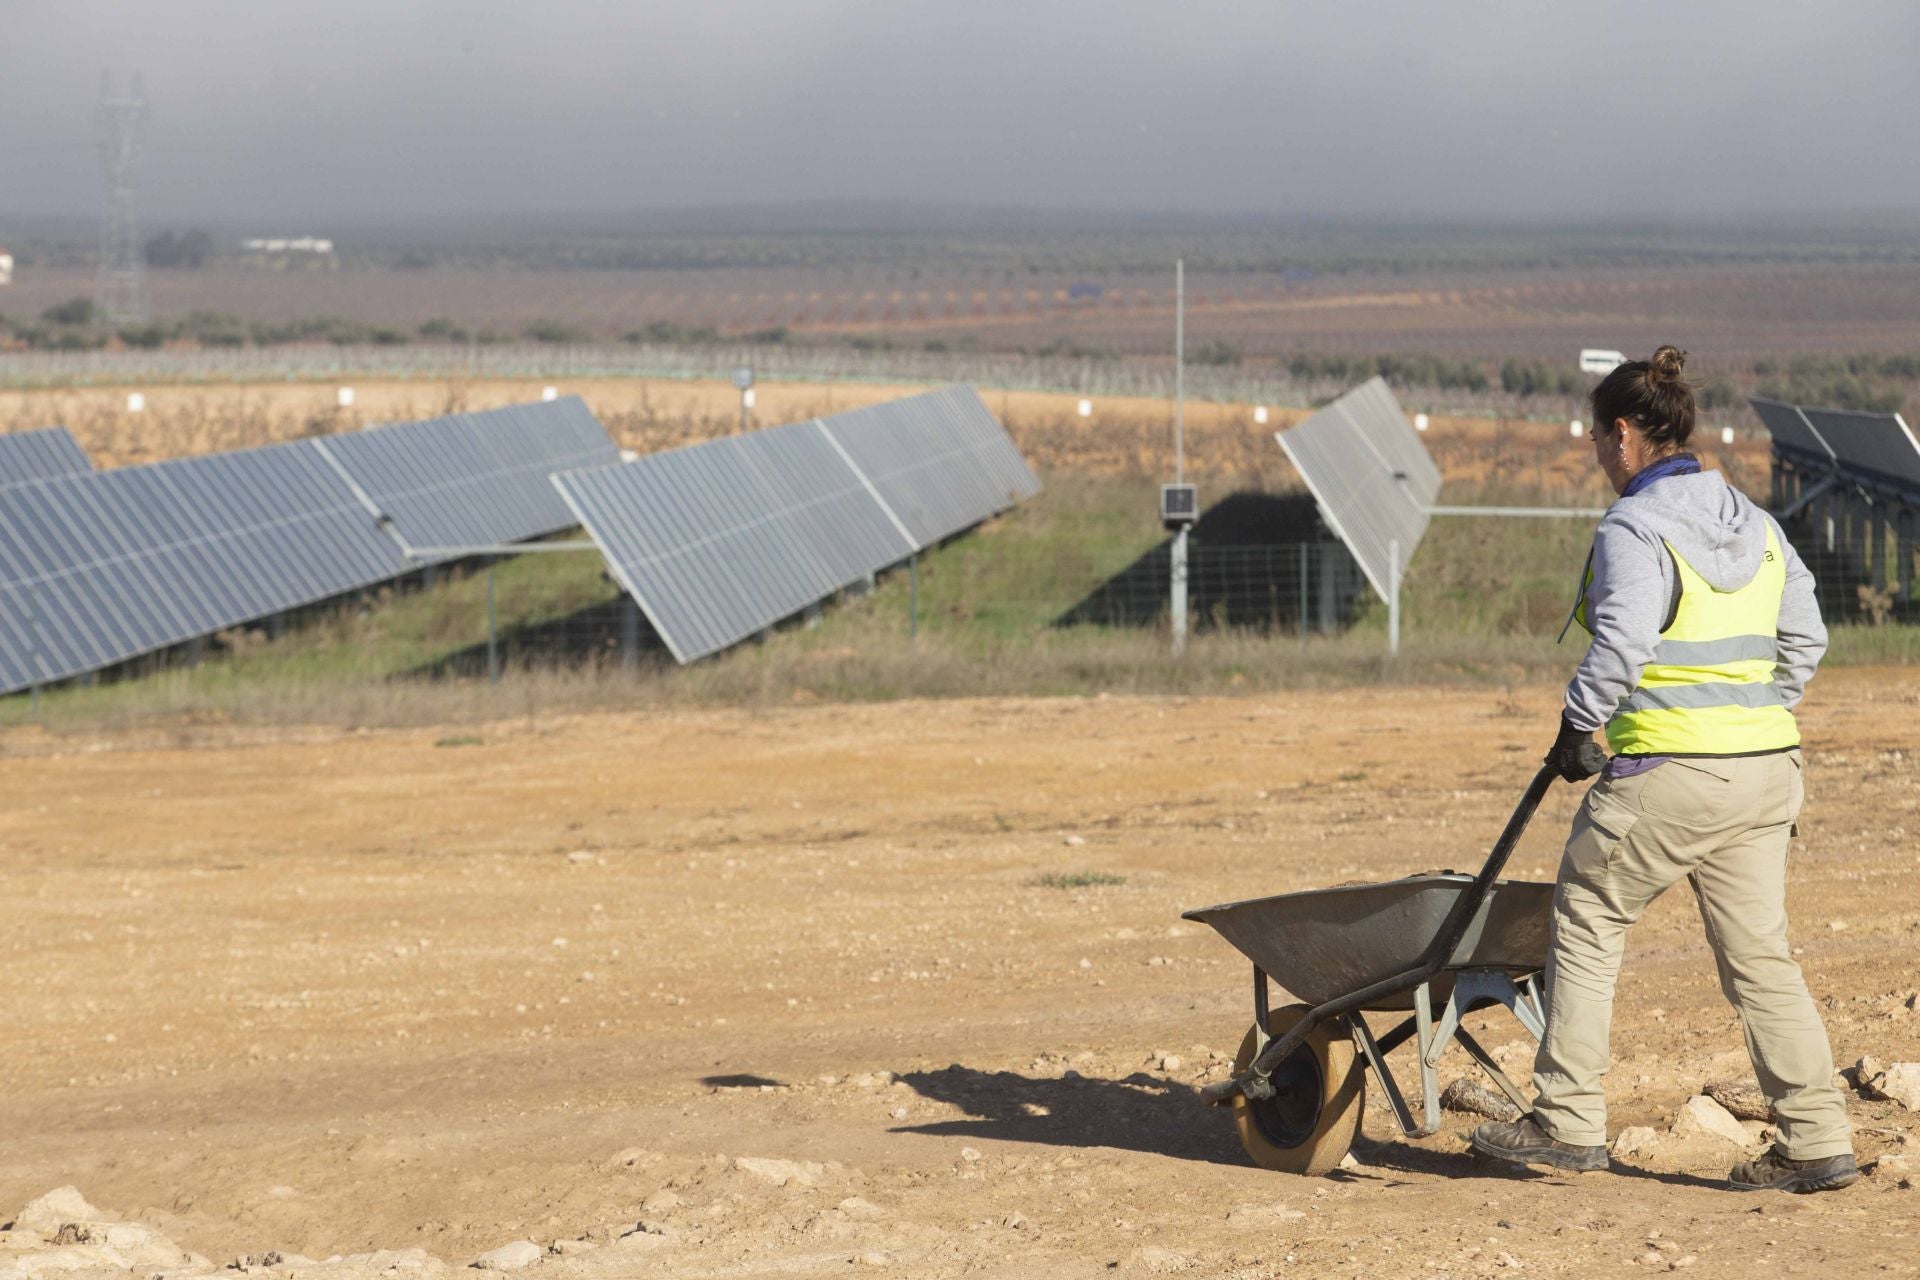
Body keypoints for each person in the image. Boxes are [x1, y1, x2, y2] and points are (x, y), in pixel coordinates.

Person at [1469, 346, 1857, 1193]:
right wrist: (1751, 713)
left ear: (1623, 435)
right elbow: (1808, 638)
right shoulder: (1757, 524)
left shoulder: (1635, 527)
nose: (1596, 458)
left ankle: (1567, 1119)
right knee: (1761, 959)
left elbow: (1623, 642)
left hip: (1672, 772)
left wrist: (1579, 725)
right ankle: (1817, 1139)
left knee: (1588, 913)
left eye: (1596, 442)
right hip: (1766, 769)